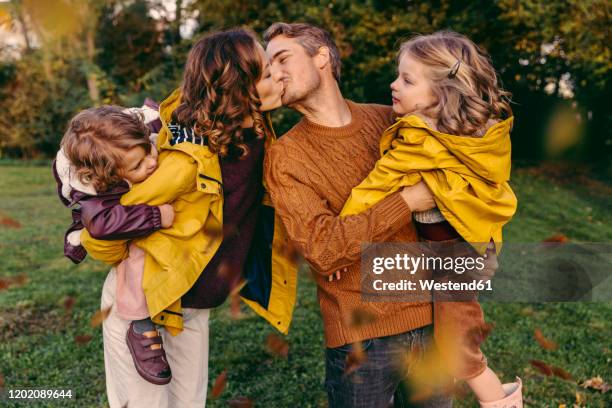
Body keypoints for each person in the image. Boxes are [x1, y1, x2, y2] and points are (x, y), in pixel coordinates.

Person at [77, 28, 298, 408]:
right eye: (265, 73)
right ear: (236, 91)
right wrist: (140, 243)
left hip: (192, 305)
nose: (278, 75)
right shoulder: (186, 160)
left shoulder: (257, 132)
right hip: (148, 305)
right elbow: (100, 230)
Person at [263, 22, 461, 407]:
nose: (274, 73)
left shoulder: (390, 120)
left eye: (282, 58)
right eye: (269, 68)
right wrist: (407, 201)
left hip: (434, 322)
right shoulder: (284, 158)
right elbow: (323, 249)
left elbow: (457, 177)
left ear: (321, 55)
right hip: (360, 342)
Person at [340, 31, 522, 407]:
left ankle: (502, 400)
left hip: (453, 257)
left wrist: (346, 226)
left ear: (441, 93)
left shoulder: (419, 139)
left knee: (458, 345)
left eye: (407, 80)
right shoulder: (477, 138)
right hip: (466, 250)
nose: (394, 85)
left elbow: (375, 187)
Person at [54, 104, 177, 385]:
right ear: (111, 176)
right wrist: (156, 215)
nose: (150, 162)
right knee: (135, 256)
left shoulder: (139, 136)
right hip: (124, 232)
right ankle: (141, 326)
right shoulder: (96, 187)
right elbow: (101, 223)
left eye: (148, 150)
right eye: (137, 165)